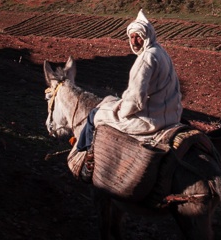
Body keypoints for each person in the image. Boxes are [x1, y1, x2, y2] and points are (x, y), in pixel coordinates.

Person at [75, 10, 183, 153]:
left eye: (138, 37)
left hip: (150, 121)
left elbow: (136, 100)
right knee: (110, 102)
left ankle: (86, 154)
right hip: (170, 115)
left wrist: (123, 110)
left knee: (95, 115)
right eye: (131, 37)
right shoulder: (160, 52)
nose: (134, 42)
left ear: (146, 36)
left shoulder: (145, 59)